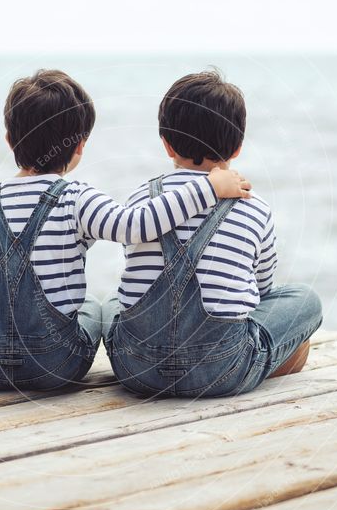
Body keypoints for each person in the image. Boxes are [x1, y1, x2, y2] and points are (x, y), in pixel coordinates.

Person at [0, 69, 251, 391]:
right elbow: (136, 226)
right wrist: (210, 188)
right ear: (81, 144)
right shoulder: (77, 199)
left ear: (9, 140)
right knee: (93, 306)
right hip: (55, 364)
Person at [102, 70, 323, 397]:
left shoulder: (140, 200)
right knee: (306, 299)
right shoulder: (254, 205)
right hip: (222, 370)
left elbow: (136, 267)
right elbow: (261, 291)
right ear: (237, 148)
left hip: (137, 369)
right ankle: (269, 362)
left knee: (111, 301)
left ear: (166, 144)